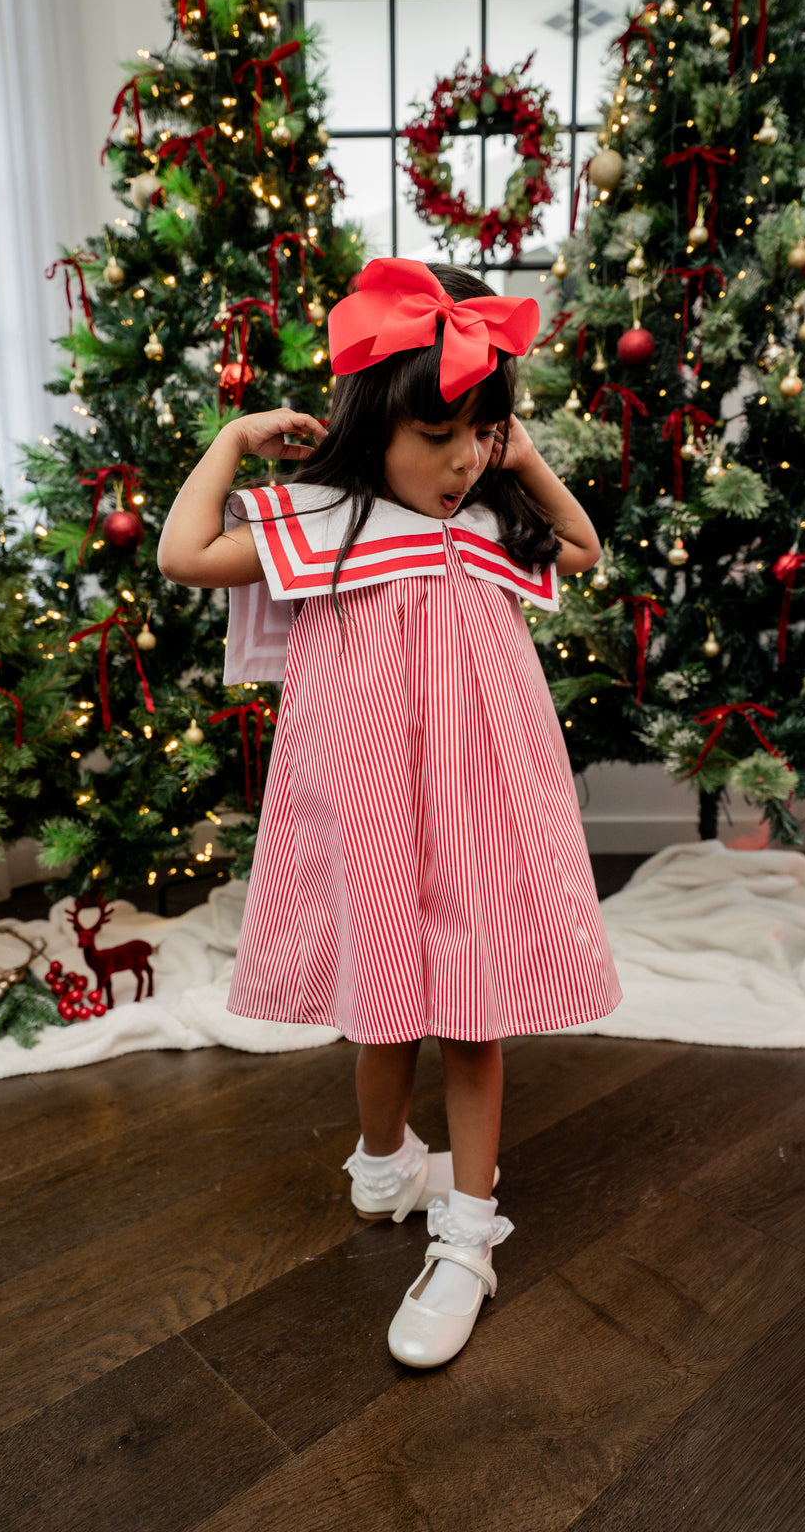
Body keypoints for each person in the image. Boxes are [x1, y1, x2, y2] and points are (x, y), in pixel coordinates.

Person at [158, 258, 622, 1368]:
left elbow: (584, 549)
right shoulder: (329, 520)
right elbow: (183, 556)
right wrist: (228, 441)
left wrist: (524, 450)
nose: (462, 460)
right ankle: (385, 1165)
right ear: (379, 428)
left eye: (483, 433)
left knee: (467, 1012)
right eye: (440, 435)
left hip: (478, 795)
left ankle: (467, 1237)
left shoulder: (488, 520)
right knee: (378, 997)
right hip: (365, 793)